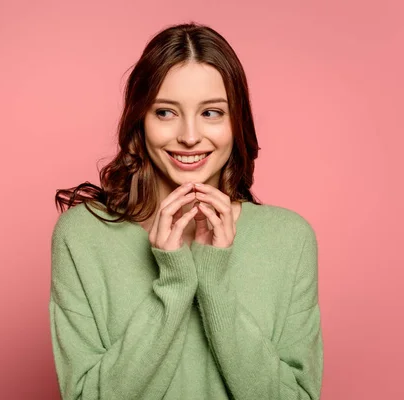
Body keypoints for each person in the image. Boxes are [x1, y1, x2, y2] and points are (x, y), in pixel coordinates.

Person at [49, 22, 323, 400]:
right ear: (140, 121)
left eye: (211, 112)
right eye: (165, 112)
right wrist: (175, 282)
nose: (190, 135)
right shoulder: (82, 236)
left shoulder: (289, 239)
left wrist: (212, 281)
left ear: (236, 122)